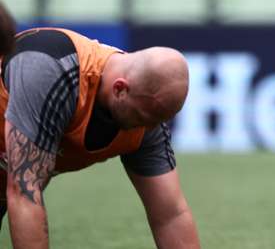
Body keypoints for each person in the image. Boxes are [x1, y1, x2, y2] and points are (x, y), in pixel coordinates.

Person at [0, 18, 200, 248]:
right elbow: (25, 191)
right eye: (143, 120)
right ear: (120, 89)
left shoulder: (146, 114)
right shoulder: (49, 69)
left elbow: (170, 215)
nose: (149, 130)